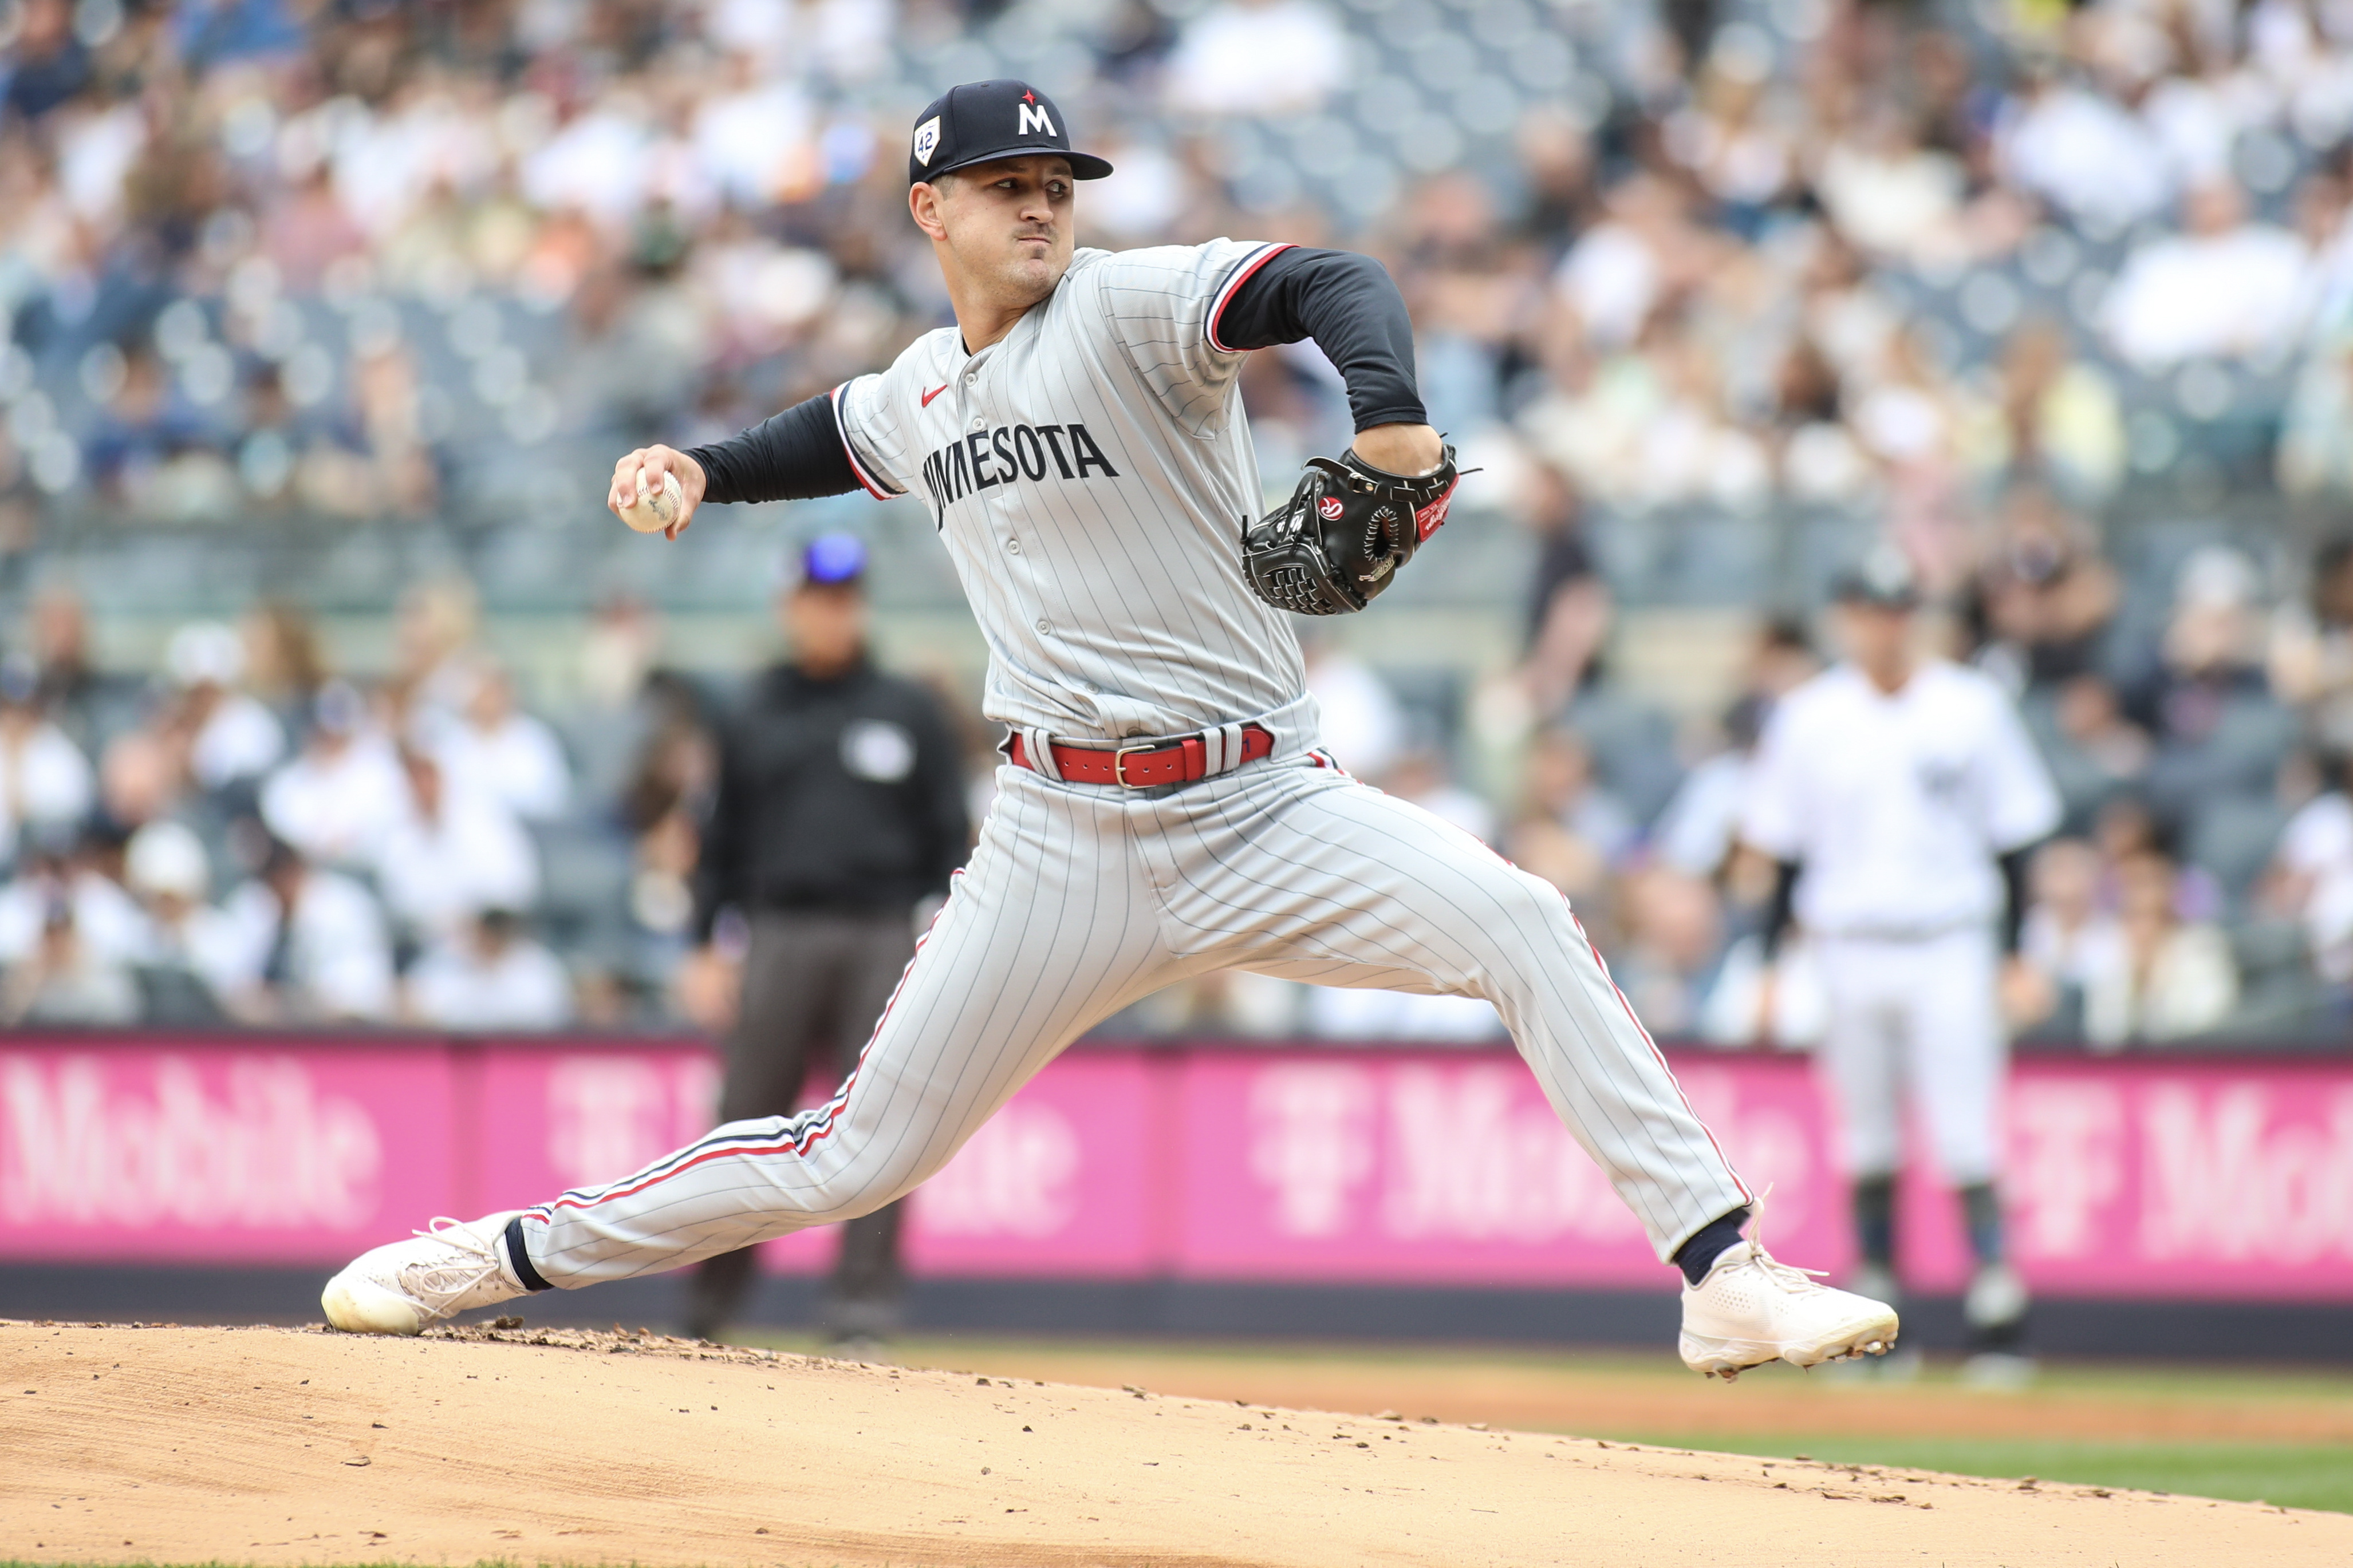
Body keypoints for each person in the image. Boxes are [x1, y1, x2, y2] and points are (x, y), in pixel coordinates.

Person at [322, 81, 1897, 1383]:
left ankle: (1719, 1270)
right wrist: (701, 468)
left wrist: (1387, 416)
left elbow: (1331, 281)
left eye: (1054, 181)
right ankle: (498, 1254)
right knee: (850, 1154)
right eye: (1002, 182)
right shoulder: (923, 389)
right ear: (927, 210)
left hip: (1260, 805)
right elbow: (831, 430)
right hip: (1056, 840)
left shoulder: (1131, 306)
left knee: (1522, 919)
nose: (1038, 205)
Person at [1739, 547, 2061, 1384]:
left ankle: (1998, 1312)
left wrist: (2021, 953)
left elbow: (2017, 840)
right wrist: (1770, 965)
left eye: (1897, 607)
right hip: (1846, 946)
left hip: (1949, 942)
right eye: (1868, 607)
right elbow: (1782, 856)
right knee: (1865, 1139)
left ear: (1913, 614)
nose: (1884, 623)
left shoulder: (1969, 706)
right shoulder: (1809, 715)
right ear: (1845, 615)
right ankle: (1881, 1317)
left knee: (1966, 1135)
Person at [674, 532, 971, 1348]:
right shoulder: (751, 710)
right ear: (788, 606)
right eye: (817, 599)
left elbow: (952, 838)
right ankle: (711, 1310)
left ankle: (859, 1314)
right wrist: (703, 945)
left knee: (880, 1128)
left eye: (845, 599)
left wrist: (943, 943)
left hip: (882, 937)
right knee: (741, 1123)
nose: (832, 615)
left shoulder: (909, 710)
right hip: (777, 934)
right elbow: (719, 841)